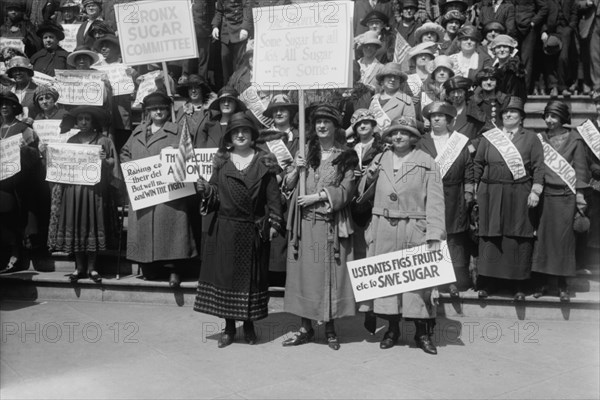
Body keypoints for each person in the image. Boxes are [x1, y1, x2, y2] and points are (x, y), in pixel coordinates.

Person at [194, 112, 283, 348]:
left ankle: (250, 325)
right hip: (226, 230)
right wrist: (206, 190)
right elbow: (215, 195)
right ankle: (230, 327)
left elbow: (273, 198)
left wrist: (274, 222)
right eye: (235, 132)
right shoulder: (222, 162)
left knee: (252, 281)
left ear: (252, 136)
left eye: (245, 131)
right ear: (229, 138)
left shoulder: (265, 162)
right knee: (226, 279)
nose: (240, 135)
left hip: (253, 229)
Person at [357, 115, 445, 353]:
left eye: (404, 133)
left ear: (413, 137)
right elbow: (362, 192)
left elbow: (436, 201)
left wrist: (435, 233)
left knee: (417, 285)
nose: (398, 137)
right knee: (387, 283)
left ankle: (421, 333)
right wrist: (370, 174)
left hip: (413, 228)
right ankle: (392, 330)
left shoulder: (427, 162)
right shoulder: (380, 158)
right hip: (383, 227)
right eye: (395, 133)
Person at [282, 104, 359, 351]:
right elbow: (288, 185)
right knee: (305, 276)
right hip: (304, 224)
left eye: (327, 122)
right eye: (318, 122)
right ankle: (305, 328)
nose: (322, 126)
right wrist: (296, 168)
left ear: (336, 127)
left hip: (330, 225)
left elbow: (347, 190)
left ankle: (329, 328)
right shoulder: (305, 150)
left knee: (330, 276)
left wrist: (318, 197)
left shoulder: (347, 155)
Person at [120, 91, 198, 287]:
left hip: (169, 192)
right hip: (145, 190)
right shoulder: (137, 132)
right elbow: (124, 152)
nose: (159, 112)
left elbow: (189, 154)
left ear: (168, 110)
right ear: (147, 112)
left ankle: (174, 271)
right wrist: (133, 170)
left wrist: (175, 155)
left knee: (172, 229)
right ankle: (150, 268)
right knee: (145, 232)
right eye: (154, 109)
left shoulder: (178, 130)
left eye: (162, 108)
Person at [473, 96, 545, 301]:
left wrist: (536, 190)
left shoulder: (530, 138)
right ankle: (488, 283)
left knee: (517, 236)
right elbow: (478, 163)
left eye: (513, 112)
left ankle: (519, 285)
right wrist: (474, 189)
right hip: (491, 192)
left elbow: (539, 166)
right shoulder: (490, 136)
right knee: (490, 235)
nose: (508, 115)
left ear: (521, 117)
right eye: (505, 112)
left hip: (519, 192)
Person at [45, 106, 121, 283]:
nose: (84, 122)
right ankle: (79, 268)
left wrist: (105, 160)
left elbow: (114, 163)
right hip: (74, 191)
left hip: (96, 191)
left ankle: (93, 268)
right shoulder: (71, 141)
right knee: (77, 225)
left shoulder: (104, 141)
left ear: (93, 121)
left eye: (87, 119)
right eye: (81, 119)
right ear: (76, 122)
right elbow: (60, 164)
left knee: (92, 225)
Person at [532, 101, 589, 301]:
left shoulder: (575, 139)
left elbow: (581, 170)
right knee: (544, 241)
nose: (549, 120)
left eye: (554, 116)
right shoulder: (540, 139)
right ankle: (544, 283)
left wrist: (580, 197)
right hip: (546, 196)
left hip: (566, 197)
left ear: (563, 118)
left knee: (564, 242)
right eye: (547, 116)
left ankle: (563, 285)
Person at [419, 101, 474, 295]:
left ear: (449, 120)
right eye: (433, 117)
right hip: (429, 194)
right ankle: (435, 278)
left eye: (440, 117)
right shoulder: (422, 142)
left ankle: (454, 279)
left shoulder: (460, 141)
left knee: (454, 236)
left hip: (455, 194)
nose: (436, 120)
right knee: (435, 234)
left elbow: (469, 167)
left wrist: (468, 191)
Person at [0, 91, 43, 273]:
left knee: (12, 218)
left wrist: (25, 151)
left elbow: (36, 157)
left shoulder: (25, 129)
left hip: (17, 183)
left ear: (15, 108)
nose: (4, 107)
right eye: (1, 104)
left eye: (8, 104)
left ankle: (16, 255)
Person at [211, 0, 253, 85]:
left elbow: (247, 9)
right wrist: (215, 26)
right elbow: (219, 11)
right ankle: (227, 88)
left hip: (239, 30)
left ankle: (239, 88)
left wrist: (245, 28)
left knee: (240, 64)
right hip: (226, 32)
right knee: (225, 59)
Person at [369, 62, 416, 131]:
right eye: (389, 76)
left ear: (400, 81)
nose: (393, 79)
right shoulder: (375, 99)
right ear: (383, 79)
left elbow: (410, 126)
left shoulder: (406, 99)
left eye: (396, 77)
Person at [487, 34, 528, 102]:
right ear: (494, 50)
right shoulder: (495, 68)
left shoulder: (514, 68)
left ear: (510, 49)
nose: (502, 50)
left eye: (505, 47)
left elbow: (514, 95)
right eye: (498, 47)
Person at [443, 76, 486, 141]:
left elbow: (488, 132)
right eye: (453, 92)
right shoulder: (443, 112)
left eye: (459, 92)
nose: (456, 95)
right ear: (448, 95)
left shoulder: (475, 112)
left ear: (465, 93)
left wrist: (473, 145)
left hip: (468, 149)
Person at [471, 67, 510, 134]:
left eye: (492, 79)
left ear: (497, 82)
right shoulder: (473, 100)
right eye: (485, 80)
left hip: (501, 136)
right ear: (480, 82)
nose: (489, 82)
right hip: (480, 137)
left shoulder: (505, 99)